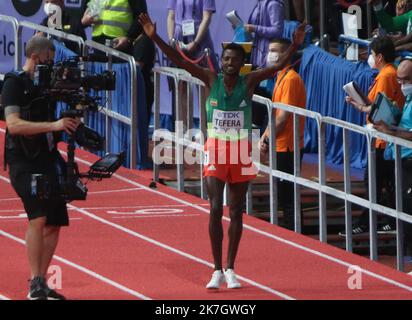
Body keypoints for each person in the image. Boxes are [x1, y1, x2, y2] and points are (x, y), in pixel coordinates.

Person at [138, 12, 306, 289]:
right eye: (226, 58)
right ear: (222, 60)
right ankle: (216, 269)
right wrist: (154, 36)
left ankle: (231, 268)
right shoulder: (209, 77)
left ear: (241, 63)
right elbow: (179, 60)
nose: (229, 62)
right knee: (216, 208)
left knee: (237, 210)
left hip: (242, 152)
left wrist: (295, 45)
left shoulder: (249, 82)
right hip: (215, 150)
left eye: (234, 59)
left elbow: (278, 67)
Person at [2, 36, 80, 300]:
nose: (53, 64)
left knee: (55, 222)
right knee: (38, 217)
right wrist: (54, 126)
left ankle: (41, 281)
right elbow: (13, 125)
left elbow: (58, 122)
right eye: (50, 58)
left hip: (48, 158)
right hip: (22, 161)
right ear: (37, 57)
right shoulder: (13, 83)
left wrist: (73, 114)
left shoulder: (47, 88)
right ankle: (35, 283)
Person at [344, 36, 405, 235]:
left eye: (371, 54)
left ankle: (368, 223)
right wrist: (359, 103)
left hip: (384, 139)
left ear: (379, 56)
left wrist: (362, 106)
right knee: (384, 182)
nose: (370, 58)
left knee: (376, 182)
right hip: (381, 138)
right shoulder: (384, 75)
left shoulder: (388, 75)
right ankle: (387, 220)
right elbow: (375, 104)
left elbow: (381, 110)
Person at [258, 38, 306, 231]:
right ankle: (290, 230)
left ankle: (295, 233)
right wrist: (266, 135)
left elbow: (283, 117)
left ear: (286, 54)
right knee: (283, 193)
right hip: (281, 143)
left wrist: (266, 137)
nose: (270, 54)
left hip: (288, 145)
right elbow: (275, 115)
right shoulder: (280, 77)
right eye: (269, 50)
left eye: (274, 50)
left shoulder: (291, 79)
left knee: (288, 195)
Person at [374, 58, 412, 260]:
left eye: (406, 80)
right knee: (404, 210)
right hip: (403, 160)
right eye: (400, 81)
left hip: (410, 161)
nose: (402, 86)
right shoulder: (409, 99)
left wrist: (389, 131)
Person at [81, 0, 148, 55]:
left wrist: (128, 38)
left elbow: (141, 17)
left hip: (120, 44)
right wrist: (83, 22)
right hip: (97, 44)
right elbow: (82, 17)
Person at [245, 0, 285, 68]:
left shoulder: (274, 4)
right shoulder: (258, 4)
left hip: (268, 55)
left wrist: (255, 28)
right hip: (257, 55)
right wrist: (241, 27)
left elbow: (278, 30)